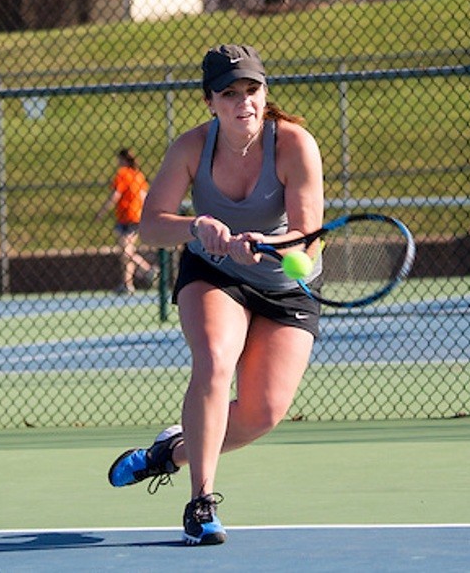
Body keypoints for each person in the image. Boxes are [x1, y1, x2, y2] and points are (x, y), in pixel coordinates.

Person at [106, 44, 325, 546]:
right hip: (214, 273)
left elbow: (309, 239)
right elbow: (152, 226)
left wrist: (271, 245)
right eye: (230, 93)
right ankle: (200, 503)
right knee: (214, 359)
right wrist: (197, 225)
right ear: (210, 101)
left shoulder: (294, 144)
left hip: (285, 287)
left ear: (265, 93)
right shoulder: (190, 148)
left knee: (261, 414)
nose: (243, 101)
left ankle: (171, 452)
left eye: (253, 90)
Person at [95, 148, 154, 294]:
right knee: (126, 252)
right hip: (128, 217)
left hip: (131, 217)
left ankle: (148, 269)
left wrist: (102, 211)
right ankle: (128, 284)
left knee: (125, 251)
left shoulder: (123, 174)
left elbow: (116, 194)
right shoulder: (138, 175)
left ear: (123, 159)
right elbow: (144, 196)